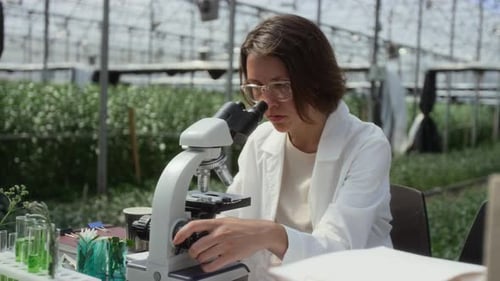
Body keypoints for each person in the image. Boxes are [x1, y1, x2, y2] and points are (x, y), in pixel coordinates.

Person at [173, 13, 393, 281]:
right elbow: (236, 220)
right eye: (255, 87)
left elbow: (340, 251)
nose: (266, 102)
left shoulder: (366, 145)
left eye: (280, 86)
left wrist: (267, 233)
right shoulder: (261, 140)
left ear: (316, 81)